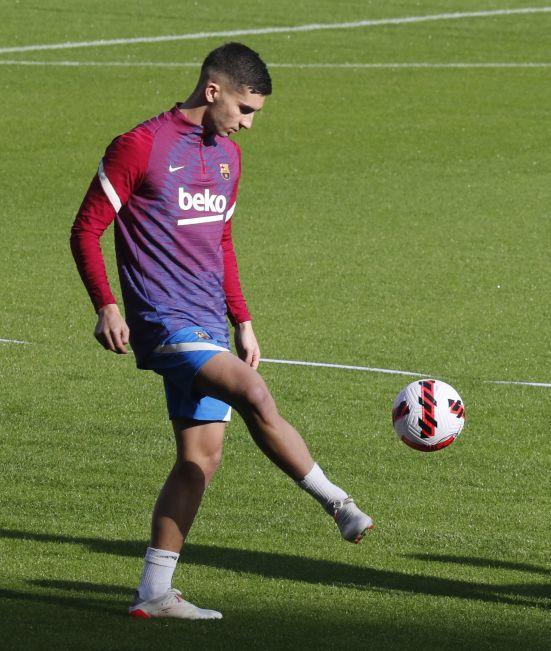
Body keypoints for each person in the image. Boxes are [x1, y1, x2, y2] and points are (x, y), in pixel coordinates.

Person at [70, 42, 374, 621]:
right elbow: (86, 230)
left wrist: (243, 319)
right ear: (213, 92)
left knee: (198, 462)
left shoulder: (229, 158)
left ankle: (154, 594)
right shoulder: (139, 145)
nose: (248, 124)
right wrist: (107, 304)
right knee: (254, 392)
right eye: (244, 109)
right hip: (163, 322)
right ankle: (338, 504)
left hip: (209, 322)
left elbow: (221, 242)